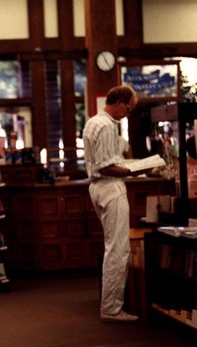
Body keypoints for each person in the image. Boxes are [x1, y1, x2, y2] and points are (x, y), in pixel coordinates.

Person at [83, 85, 148, 322]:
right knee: (118, 250)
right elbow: (106, 166)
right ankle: (111, 308)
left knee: (113, 247)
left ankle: (111, 305)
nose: (127, 114)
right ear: (119, 101)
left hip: (97, 188)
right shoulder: (107, 125)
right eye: (128, 108)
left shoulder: (93, 122)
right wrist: (135, 170)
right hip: (110, 186)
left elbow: (108, 158)